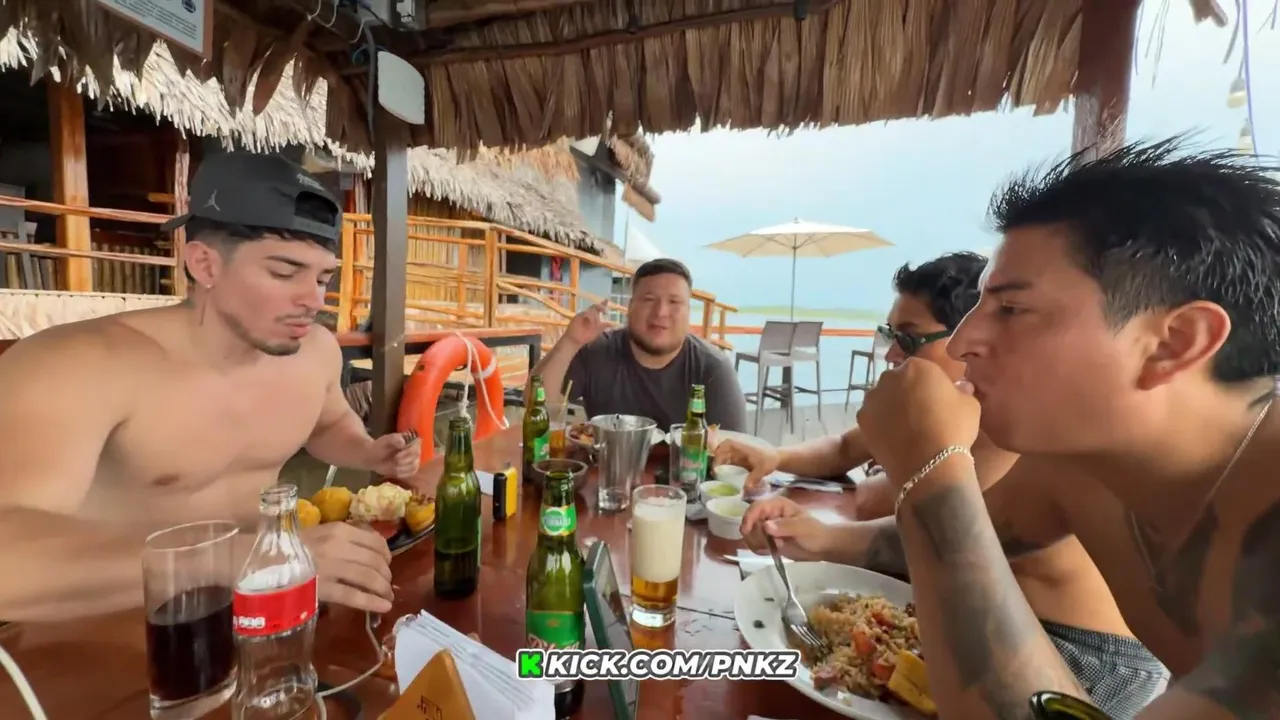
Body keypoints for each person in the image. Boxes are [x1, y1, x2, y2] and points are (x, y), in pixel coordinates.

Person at [743, 138, 1280, 720]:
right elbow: (977, 534)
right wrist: (820, 538)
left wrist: (933, 467)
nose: (963, 343)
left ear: (1174, 343)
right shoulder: (1075, 461)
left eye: (1012, 309)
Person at [720, 251, 1167, 717]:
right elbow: (938, 526)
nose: (892, 353)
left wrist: (871, 497)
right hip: (992, 611)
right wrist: (816, 528)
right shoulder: (961, 414)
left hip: (1084, 655)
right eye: (890, 335)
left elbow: (919, 516)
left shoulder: (1014, 426)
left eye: (909, 339)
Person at [0, 152, 419, 622]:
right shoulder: (78, 365)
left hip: (254, 611)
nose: (314, 299)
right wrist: (227, 558)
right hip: (109, 632)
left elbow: (327, 422)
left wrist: (368, 452)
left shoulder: (315, 351)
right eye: (284, 273)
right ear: (205, 264)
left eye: (323, 278)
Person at [529, 257, 747, 431]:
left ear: (688, 312)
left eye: (674, 302)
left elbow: (735, 452)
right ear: (630, 307)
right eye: (649, 300)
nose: (661, 312)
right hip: (605, 470)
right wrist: (571, 341)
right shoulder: (598, 350)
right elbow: (536, 404)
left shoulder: (712, 367)